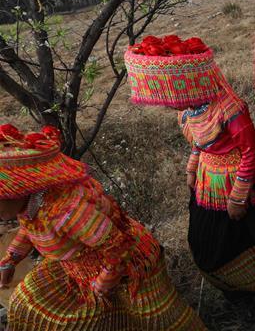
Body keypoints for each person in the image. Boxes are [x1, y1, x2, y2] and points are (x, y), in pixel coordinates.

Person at [124, 36, 255, 311]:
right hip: (209, 181)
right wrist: (192, 170)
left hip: (242, 182)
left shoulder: (230, 109)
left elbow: (251, 152)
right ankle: (251, 287)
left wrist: (238, 197)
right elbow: (199, 145)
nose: (168, 105)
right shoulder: (188, 109)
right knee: (208, 242)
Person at [0, 124, 205, 330]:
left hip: (129, 264)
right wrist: (10, 260)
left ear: (16, 191)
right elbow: (30, 229)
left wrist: (103, 283)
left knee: (158, 320)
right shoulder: (32, 204)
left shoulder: (66, 211)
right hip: (82, 264)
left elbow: (117, 245)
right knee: (29, 302)